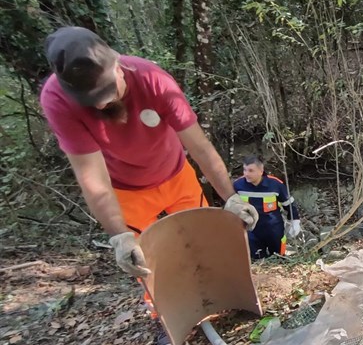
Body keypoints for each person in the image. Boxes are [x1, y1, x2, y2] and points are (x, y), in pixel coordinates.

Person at [39, 26, 259, 278]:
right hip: (126, 191)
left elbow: (200, 147)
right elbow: (92, 178)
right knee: (150, 267)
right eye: (90, 99)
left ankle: (219, 290)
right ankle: (170, 303)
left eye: (107, 92)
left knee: (204, 244)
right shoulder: (57, 101)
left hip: (176, 175)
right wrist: (120, 236)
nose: (100, 104)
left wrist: (231, 198)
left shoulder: (152, 79)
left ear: (117, 66)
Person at [233, 155, 302, 259]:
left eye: (251, 170)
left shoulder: (275, 185)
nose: (246, 174)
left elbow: (289, 204)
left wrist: (295, 221)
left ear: (261, 171)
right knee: (256, 259)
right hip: (251, 229)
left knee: (279, 257)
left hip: (273, 228)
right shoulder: (238, 185)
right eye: (244, 170)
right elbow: (231, 205)